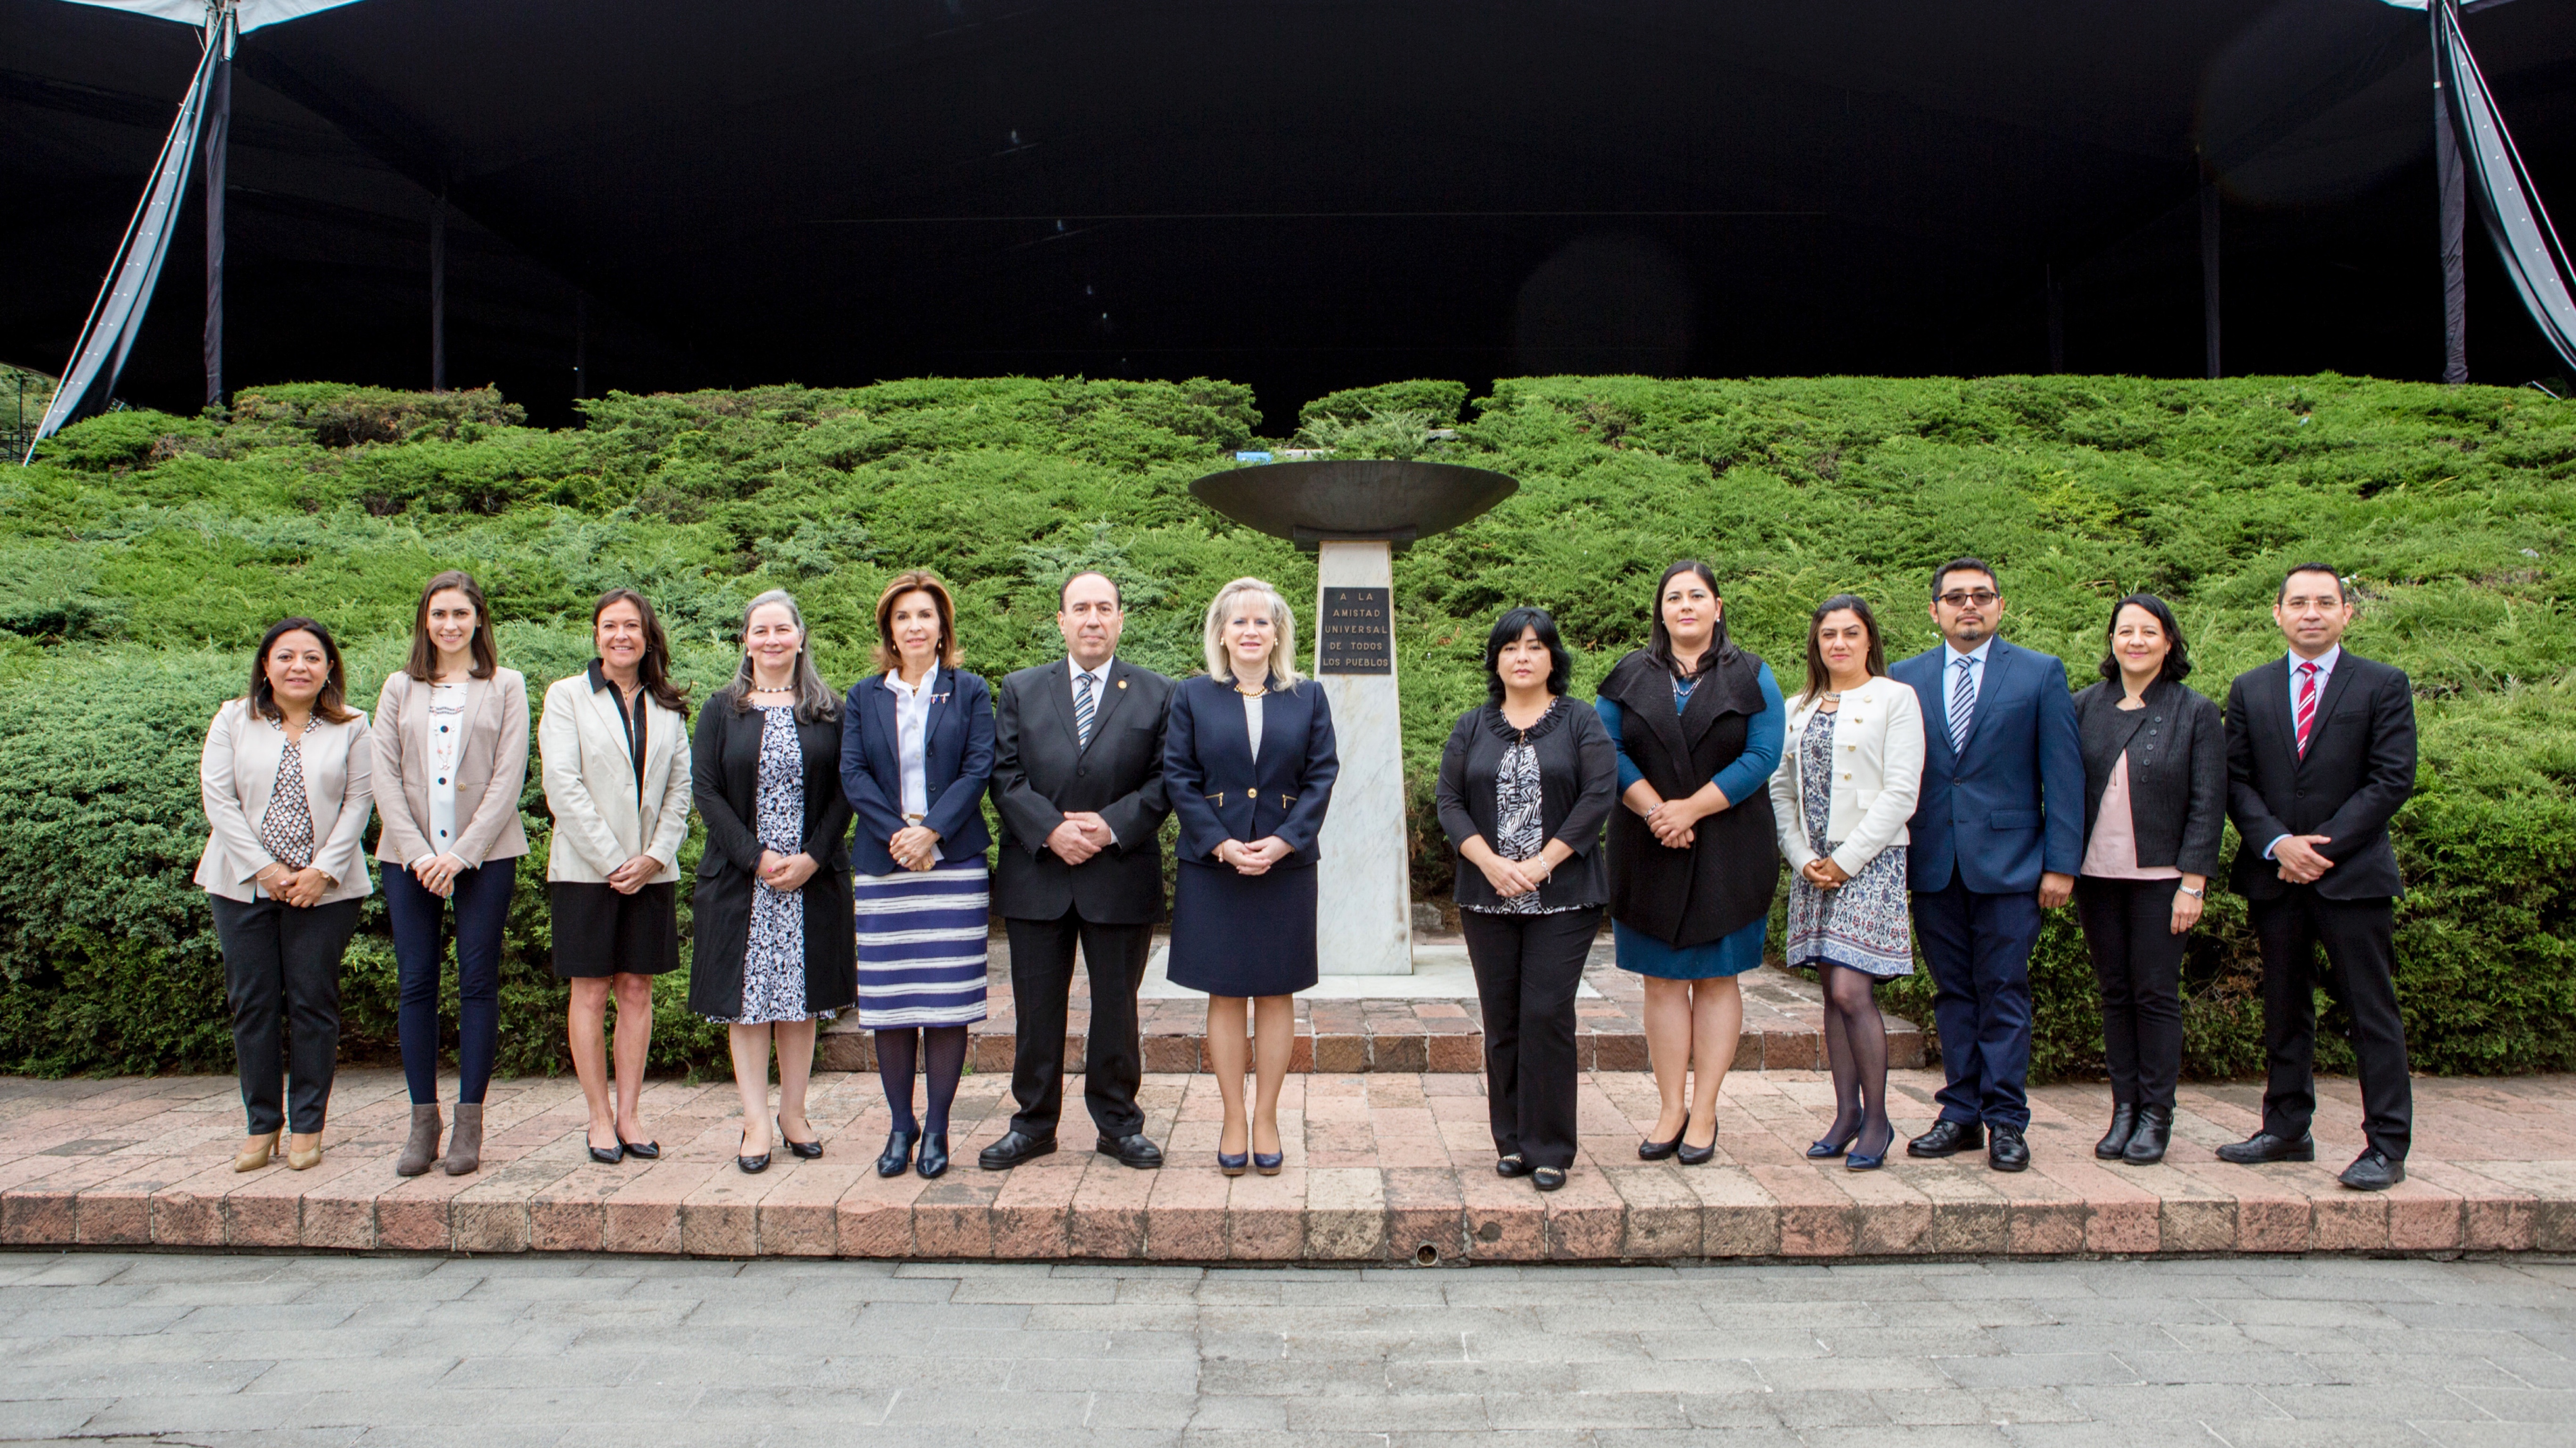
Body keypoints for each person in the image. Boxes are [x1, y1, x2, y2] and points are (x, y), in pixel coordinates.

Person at [2217, 564, 2418, 1191]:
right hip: (2275, 875)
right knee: (2283, 1007)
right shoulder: (2249, 689)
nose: (2310, 613)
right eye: (2297, 603)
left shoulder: (2382, 685)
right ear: (2277, 613)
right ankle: (2285, 1128)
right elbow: (2234, 779)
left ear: (2345, 614)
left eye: (2323, 603)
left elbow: (2392, 778)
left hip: (2351, 878)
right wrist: (2277, 843)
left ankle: (2385, 1144)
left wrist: (2318, 849)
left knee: (2370, 1012)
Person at [1891, 557, 2082, 1173]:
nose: (1967, 606)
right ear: (1934, 610)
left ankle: (2005, 1121)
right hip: (1934, 864)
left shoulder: (2038, 674)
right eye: (1955, 597)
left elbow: (2063, 775)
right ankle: (1958, 1114)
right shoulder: (1905, 678)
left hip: (2011, 866)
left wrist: (2061, 865)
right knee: (1952, 994)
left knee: (2002, 992)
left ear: (1999, 606)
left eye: (1980, 596)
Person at [981, 571, 1175, 1173]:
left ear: (1121, 619)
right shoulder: (1020, 688)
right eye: (1081, 608)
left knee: (1118, 1007)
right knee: (1037, 1008)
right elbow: (1004, 773)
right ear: (1061, 620)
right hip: (1039, 873)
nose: (1093, 619)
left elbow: (1167, 779)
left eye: (1105, 608)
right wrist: (1051, 831)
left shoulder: (1157, 692)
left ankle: (1119, 1124)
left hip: (1119, 871)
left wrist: (1109, 827)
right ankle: (1034, 1124)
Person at [1595, 561, 1783, 1166]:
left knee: (1717, 978)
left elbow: (1763, 754)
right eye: (1673, 597)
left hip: (1728, 845)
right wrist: (1657, 814)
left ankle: (1705, 1112)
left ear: (1718, 607)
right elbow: (1608, 750)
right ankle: (1670, 1106)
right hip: (1646, 846)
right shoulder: (1628, 673)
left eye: (1697, 596)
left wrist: (1690, 812)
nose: (1685, 606)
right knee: (1663, 982)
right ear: (1661, 610)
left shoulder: (1753, 675)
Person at [1435, 607, 1616, 1193]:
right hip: (1487, 896)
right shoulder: (1472, 726)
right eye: (1510, 647)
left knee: (1545, 1013)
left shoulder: (1580, 721)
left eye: (1534, 647)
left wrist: (1541, 864)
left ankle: (1551, 1147)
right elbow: (1450, 802)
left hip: (1562, 894)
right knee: (1503, 1020)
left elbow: (1597, 796)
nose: (1522, 657)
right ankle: (1511, 1141)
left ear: (1552, 659)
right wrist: (1489, 862)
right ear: (1495, 660)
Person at [1164, 576, 1338, 1176]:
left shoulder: (1308, 696)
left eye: (1262, 622)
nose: (1250, 631)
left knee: (1275, 987)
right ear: (1221, 633)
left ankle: (1266, 1117)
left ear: (1278, 633)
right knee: (1225, 988)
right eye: (1239, 622)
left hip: (1285, 867)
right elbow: (1179, 778)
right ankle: (1232, 1117)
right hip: (1214, 867)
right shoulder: (1191, 696)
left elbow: (1322, 776)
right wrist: (1221, 844)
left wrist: (1286, 841)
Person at [196, 617, 375, 1173]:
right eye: (286, 656)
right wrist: (265, 871)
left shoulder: (352, 725)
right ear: (266, 666)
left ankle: (309, 1126)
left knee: (312, 1003)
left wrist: (321, 871)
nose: (299, 667)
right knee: (252, 1003)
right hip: (241, 886)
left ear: (329, 669)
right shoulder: (233, 719)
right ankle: (262, 1124)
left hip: (326, 890)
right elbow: (218, 798)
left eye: (312, 658)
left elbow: (359, 804)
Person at [689, 590, 857, 1175]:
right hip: (744, 880)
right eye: (760, 630)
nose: (772, 640)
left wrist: (812, 856)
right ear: (746, 640)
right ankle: (755, 1121)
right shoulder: (721, 709)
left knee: (799, 1001)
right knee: (749, 1003)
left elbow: (845, 792)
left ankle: (794, 1113)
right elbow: (706, 791)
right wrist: (756, 858)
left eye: (782, 629)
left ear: (801, 636)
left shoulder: (829, 710)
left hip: (811, 880)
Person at [372, 571, 529, 1178]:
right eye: (439, 614)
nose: (450, 625)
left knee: (477, 984)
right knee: (415, 983)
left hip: (484, 857)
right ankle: (422, 1121)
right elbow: (383, 776)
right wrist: (418, 854)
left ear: (479, 620)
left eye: (461, 614)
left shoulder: (506, 686)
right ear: (425, 622)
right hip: (408, 860)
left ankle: (469, 1122)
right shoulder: (398, 688)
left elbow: (507, 779)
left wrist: (461, 854)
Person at [840, 570, 996, 1181]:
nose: (913, 626)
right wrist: (899, 837)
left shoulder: (970, 691)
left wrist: (931, 831)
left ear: (942, 628)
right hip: (885, 864)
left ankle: (937, 1129)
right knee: (893, 1004)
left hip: (952, 862)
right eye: (902, 617)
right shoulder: (863, 696)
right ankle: (899, 1126)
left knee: (945, 1003)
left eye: (924, 616)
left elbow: (979, 767)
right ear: (889, 629)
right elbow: (853, 774)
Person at [1768, 594, 1924, 1172]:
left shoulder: (1895, 699)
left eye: (1850, 633)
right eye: (1828, 634)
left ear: (1869, 640)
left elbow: (1902, 791)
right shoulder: (1796, 706)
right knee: (1831, 994)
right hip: (1814, 864)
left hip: (1871, 860)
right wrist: (1802, 855)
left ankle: (1878, 1118)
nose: (1838, 643)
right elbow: (1781, 791)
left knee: (1851, 992)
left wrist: (1848, 860)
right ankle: (1844, 1114)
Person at [540, 588, 693, 1166]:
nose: (621, 635)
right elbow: (563, 785)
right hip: (586, 871)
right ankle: (598, 1118)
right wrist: (613, 859)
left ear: (648, 636)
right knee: (591, 990)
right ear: (597, 635)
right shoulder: (567, 698)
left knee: (636, 989)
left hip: (651, 873)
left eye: (632, 626)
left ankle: (630, 1115)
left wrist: (654, 856)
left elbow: (681, 790)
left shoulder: (668, 705)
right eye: (610, 626)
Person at [2070, 592, 2225, 1167]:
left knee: (2155, 995)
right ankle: (2124, 1110)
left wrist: (2194, 882)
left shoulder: (2195, 711)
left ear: (2169, 642)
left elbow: (2210, 801)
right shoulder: (2085, 706)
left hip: (2163, 879)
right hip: (2097, 876)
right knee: (2115, 993)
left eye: (2149, 632)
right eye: (2125, 631)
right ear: (2111, 641)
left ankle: (2157, 1114)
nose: (2135, 641)